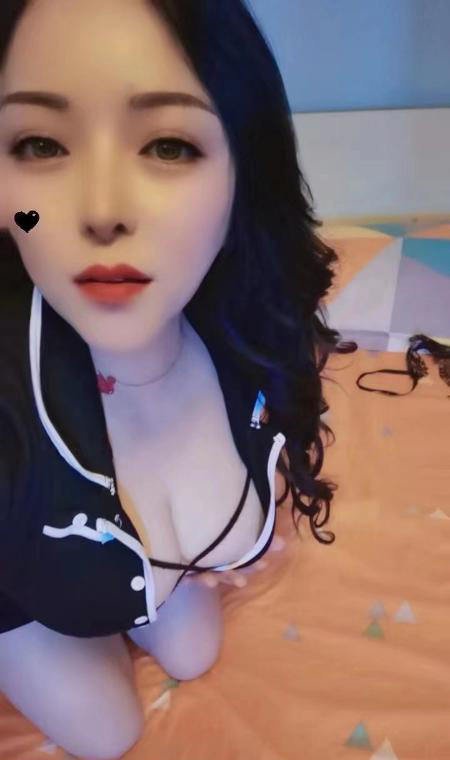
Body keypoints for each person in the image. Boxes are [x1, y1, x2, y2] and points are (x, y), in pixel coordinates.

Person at [0, 1, 351, 757]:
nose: (102, 213)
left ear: (243, 174)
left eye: (167, 145)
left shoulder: (241, 337)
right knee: (106, 730)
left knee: (193, 648)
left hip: (152, 564)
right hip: (17, 591)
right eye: (39, 144)